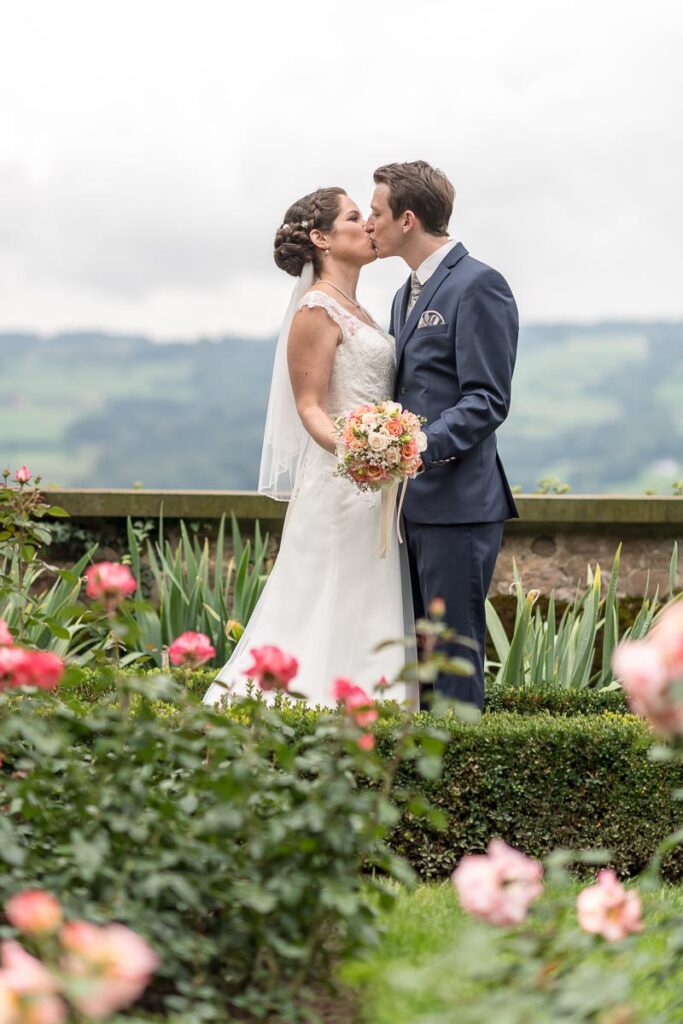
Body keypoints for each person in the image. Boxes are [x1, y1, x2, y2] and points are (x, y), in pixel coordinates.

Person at [203, 188, 419, 709]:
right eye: (353, 217)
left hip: (381, 486)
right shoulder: (316, 308)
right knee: (327, 602)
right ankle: (309, 710)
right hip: (344, 484)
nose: (368, 225)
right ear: (322, 239)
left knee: (369, 605)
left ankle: (373, 711)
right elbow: (310, 408)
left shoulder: (364, 310)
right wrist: (361, 452)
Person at [366, 160, 519, 711]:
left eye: (376, 213)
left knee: (453, 663)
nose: (368, 225)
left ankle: (458, 789)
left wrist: (416, 445)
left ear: (408, 219)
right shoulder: (401, 295)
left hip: (459, 506)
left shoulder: (480, 284)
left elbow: (487, 400)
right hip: (409, 509)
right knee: (419, 666)